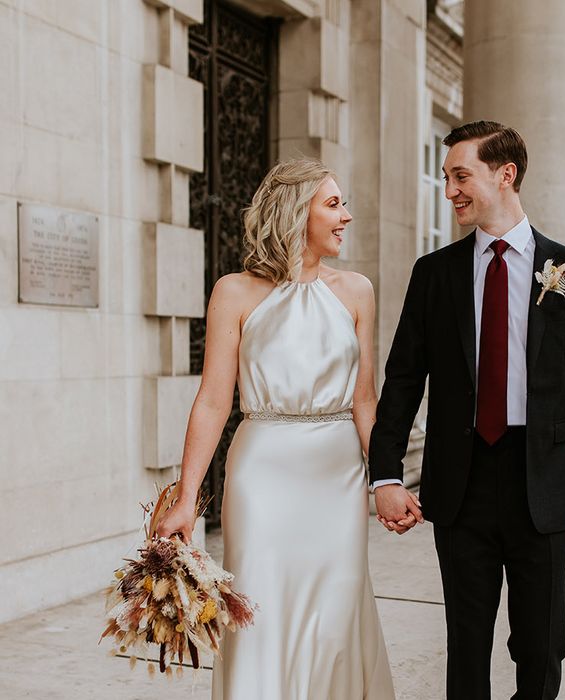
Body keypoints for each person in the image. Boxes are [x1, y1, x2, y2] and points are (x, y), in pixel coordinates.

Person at [369, 121, 565, 699]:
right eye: (447, 177)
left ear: (505, 175)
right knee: (467, 645)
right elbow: (403, 380)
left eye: (461, 176)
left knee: (542, 646)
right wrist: (386, 473)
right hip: (461, 485)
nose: (450, 189)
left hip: (547, 485)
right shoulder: (434, 274)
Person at [157, 159, 397, 699]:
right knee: (258, 610)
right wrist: (186, 497)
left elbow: (363, 400)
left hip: (337, 474)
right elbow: (215, 400)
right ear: (295, 212)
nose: (347, 216)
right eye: (333, 204)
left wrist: (386, 481)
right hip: (263, 470)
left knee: (338, 611)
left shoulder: (357, 291)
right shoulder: (234, 292)